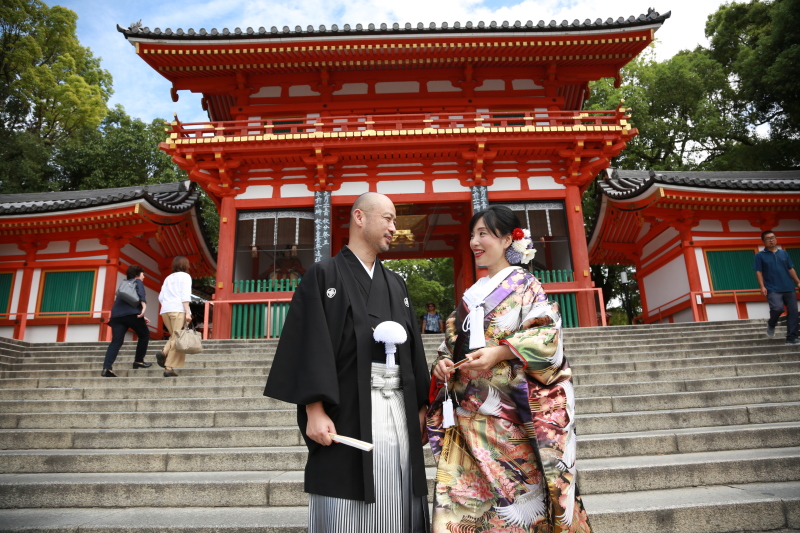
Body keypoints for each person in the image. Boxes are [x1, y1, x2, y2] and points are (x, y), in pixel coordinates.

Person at [264, 192, 431, 533]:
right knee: (345, 503)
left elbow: (413, 349)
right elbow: (309, 342)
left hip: (398, 406)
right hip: (347, 408)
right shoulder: (323, 275)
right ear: (359, 218)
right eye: (388, 218)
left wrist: (421, 406)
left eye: (395, 220)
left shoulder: (396, 283)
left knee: (398, 493)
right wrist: (313, 408)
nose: (394, 227)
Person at [427, 205, 592, 533]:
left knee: (519, 503)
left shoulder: (525, 284)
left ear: (507, 240)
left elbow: (547, 335)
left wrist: (501, 351)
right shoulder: (470, 295)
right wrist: (442, 365)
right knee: (462, 505)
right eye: (472, 234)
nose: (475, 241)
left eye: (483, 234)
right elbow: (448, 348)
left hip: (511, 420)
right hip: (467, 422)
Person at [101, 265, 152, 377]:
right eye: (143, 274)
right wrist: (143, 307)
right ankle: (139, 361)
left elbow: (125, 304)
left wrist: (142, 316)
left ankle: (107, 368)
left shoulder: (124, 284)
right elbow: (141, 294)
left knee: (116, 342)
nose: (144, 277)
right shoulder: (137, 282)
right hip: (131, 315)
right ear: (137, 274)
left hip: (117, 316)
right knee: (144, 335)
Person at [754, 230, 800, 345]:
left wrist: (798, 282)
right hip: (773, 288)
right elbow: (758, 272)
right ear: (763, 241)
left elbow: (790, 269)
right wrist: (762, 286)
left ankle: (792, 338)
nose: (771, 240)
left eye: (773, 237)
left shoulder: (784, 253)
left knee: (793, 312)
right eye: (768, 238)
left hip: (789, 287)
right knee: (777, 308)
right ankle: (772, 323)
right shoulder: (759, 256)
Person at [157, 256, 193, 377]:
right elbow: (185, 295)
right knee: (178, 338)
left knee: (175, 336)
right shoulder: (186, 277)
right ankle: (167, 365)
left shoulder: (168, 278)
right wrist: (188, 312)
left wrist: (167, 304)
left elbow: (160, 297)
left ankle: (165, 356)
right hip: (178, 309)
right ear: (185, 265)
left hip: (165, 310)